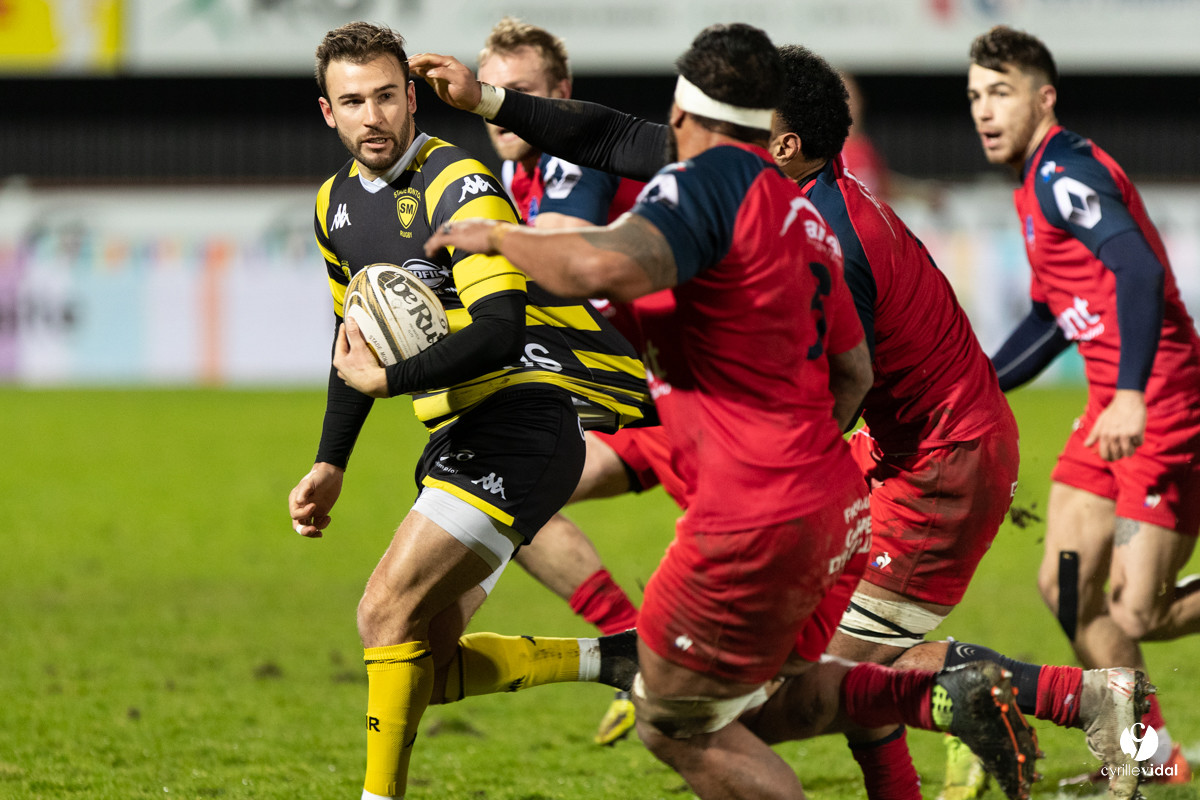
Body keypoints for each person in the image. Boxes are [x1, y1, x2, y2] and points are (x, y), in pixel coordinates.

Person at [409, 39, 1154, 800]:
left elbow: (837, 383)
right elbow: (609, 136)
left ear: (784, 141)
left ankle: (1086, 700)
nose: (684, 127)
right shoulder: (790, 196)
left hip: (936, 466)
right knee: (812, 676)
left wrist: (501, 244)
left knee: (774, 697)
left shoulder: (793, 218)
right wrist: (490, 102)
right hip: (893, 453)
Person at [286, 21, 657, 800]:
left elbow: (499, 331)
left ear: (411, 97)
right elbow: (347, 341)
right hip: (465, 430)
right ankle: (618, 659)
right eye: (352, 101)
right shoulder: (333, 208)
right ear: (329, 112)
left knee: (382, 613)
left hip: (521, 417)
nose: (372, 116)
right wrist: (331, 460)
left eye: (387, 96)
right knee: (421, 657)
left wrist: (394, 381)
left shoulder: (461, 185)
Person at [969, 23, 1200, 791]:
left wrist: (1132, 393)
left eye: (1000, 92)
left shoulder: (1067, 170)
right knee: (1064, 583)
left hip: (1160, 399)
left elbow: (1135, 268)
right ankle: (1147, 754)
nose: (983, 110)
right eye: (974, 96)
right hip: (1109, 405)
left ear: (1044, 97)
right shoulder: (1035, 185)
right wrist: (971, 386)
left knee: (1140, 614)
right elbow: (1048, 317)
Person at [473, 16, 647, 745]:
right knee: (506, 490)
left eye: (524, 94)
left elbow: (560, 248)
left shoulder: (572, 151)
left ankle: (944, 690)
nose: (505, 109)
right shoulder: (518, 174)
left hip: (700, 392)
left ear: (560, 97)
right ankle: (633, 646)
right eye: (492, 93)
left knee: (802, 607)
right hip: (648, 398)